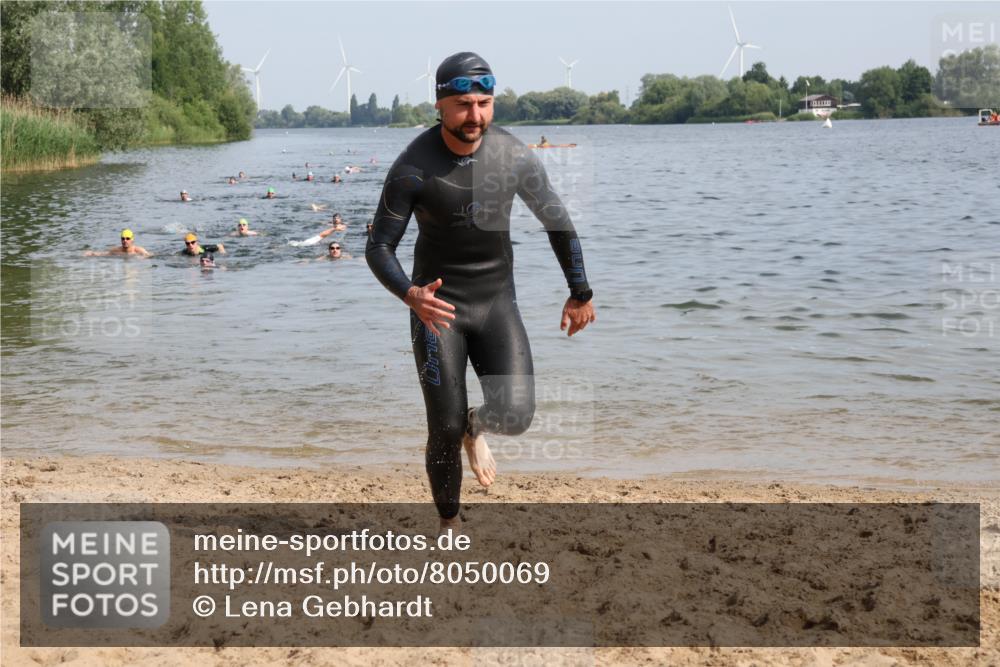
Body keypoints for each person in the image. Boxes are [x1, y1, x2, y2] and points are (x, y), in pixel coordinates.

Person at [366, 52, 595, 531]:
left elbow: (558, 223)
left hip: (495, 303)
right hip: (436, 311)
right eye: (465, 104)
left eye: (485, 104)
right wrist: (410, 295)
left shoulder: (512, 156)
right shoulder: (413, 167)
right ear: (440, 105)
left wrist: (580, 292)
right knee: (442, 427)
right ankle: (450, 524)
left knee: (516, 414)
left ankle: (478, 426)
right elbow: (378, 247)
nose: (476, 116)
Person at [85, 228, 152, 257]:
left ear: (132, 240)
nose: (125, 240)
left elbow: (149, 255)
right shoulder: (116, 250)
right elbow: (104, 254)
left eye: (127, 238)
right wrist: (92, 253)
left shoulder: (138, 250)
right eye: (123, 238)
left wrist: (142, 257)